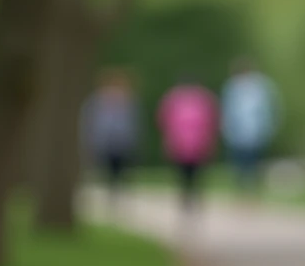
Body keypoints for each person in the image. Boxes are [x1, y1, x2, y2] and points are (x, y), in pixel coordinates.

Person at [156, 76, 218, 213]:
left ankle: (187, 199)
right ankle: (192, 199)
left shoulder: (173, 99)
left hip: (184, 145)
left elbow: (164, 123)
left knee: (185, 175)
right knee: (194, 175)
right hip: (194, 146)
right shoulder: (203, 99)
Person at [80, 67, 141, 207]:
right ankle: (111, 193)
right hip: (105, 141)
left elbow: (133, 123)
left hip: (121, 141)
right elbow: (90, 122)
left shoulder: (128, 101)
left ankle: (116, 193)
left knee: (120, 168)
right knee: (107, 168)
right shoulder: (97, 101)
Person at [219, 57, 280, 194]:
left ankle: (253, 191)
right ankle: (242, 191)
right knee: (239, 165)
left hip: (256, 133)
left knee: (255, 164)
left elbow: (270, 109)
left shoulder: (261, 86)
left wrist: (269, 129)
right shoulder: (231, 87)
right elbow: (227, 111)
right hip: (237, 135)